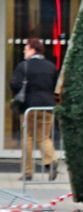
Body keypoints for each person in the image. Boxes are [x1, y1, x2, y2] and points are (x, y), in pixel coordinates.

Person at [10, 38, 58, 181]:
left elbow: (15, 85)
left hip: (28, 107)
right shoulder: (51, 66)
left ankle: (28, 172)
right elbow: (55, 86)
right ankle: (51, 161)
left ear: (32, 49)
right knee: (44, 137)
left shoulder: (23, 66)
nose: (24, 52)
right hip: (47, 106)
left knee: (28, 137)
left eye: (26, 49)